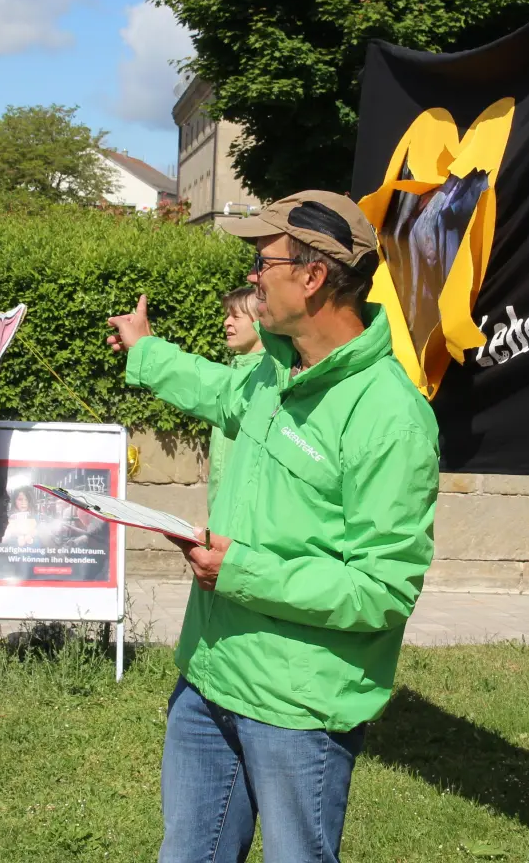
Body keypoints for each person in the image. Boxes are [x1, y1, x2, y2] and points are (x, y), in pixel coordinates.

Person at [107, 190, 440, 862]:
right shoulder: (271, 370)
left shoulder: (390, 417)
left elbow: (382, 589)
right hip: (208, 681)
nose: (252, 276)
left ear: (313, 276)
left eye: (264, 260)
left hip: (297, 708)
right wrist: (145, 352)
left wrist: (241, 572)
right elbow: (218, 391)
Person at [208, 286, 265, 513]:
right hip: (220, 515)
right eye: (227, 315)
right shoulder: (234, 371)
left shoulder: (267, 378)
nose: (226, 322)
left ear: (261, 321)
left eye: (236, 316)